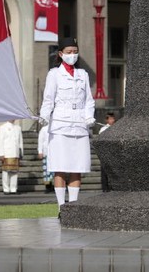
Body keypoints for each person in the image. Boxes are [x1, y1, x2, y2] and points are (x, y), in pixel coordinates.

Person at [39, 37, 95, 210]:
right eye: (69, 52)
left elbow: (89, 101)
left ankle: (74, 206)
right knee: (60, 167)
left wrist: (89, 116)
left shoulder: (83, 75)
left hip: (79, 125)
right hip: (60, 125)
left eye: (75, 52)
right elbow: (48, 99)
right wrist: (44, 116)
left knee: (77, 167)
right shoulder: (54, 74)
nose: (73, 55)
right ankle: (61, 207)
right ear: (61, 54)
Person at [0, 119, 24, 194]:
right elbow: (0, 141)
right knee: (6, 171)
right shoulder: (2, 127)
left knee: (14, 171)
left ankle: (13, 188)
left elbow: (20, 141)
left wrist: (21, 152)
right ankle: (6, 188)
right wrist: (1, 153)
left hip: (15, 152)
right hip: (7, 152)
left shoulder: (18, 128)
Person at [37, 124, 54, 193]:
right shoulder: (44, 129)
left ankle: (56, 186)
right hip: (46, 153)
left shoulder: (56, 128)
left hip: (55, 153)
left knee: (55, 171)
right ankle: (48, 186)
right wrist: (40, 151)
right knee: (47, 171)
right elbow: (40, 141)